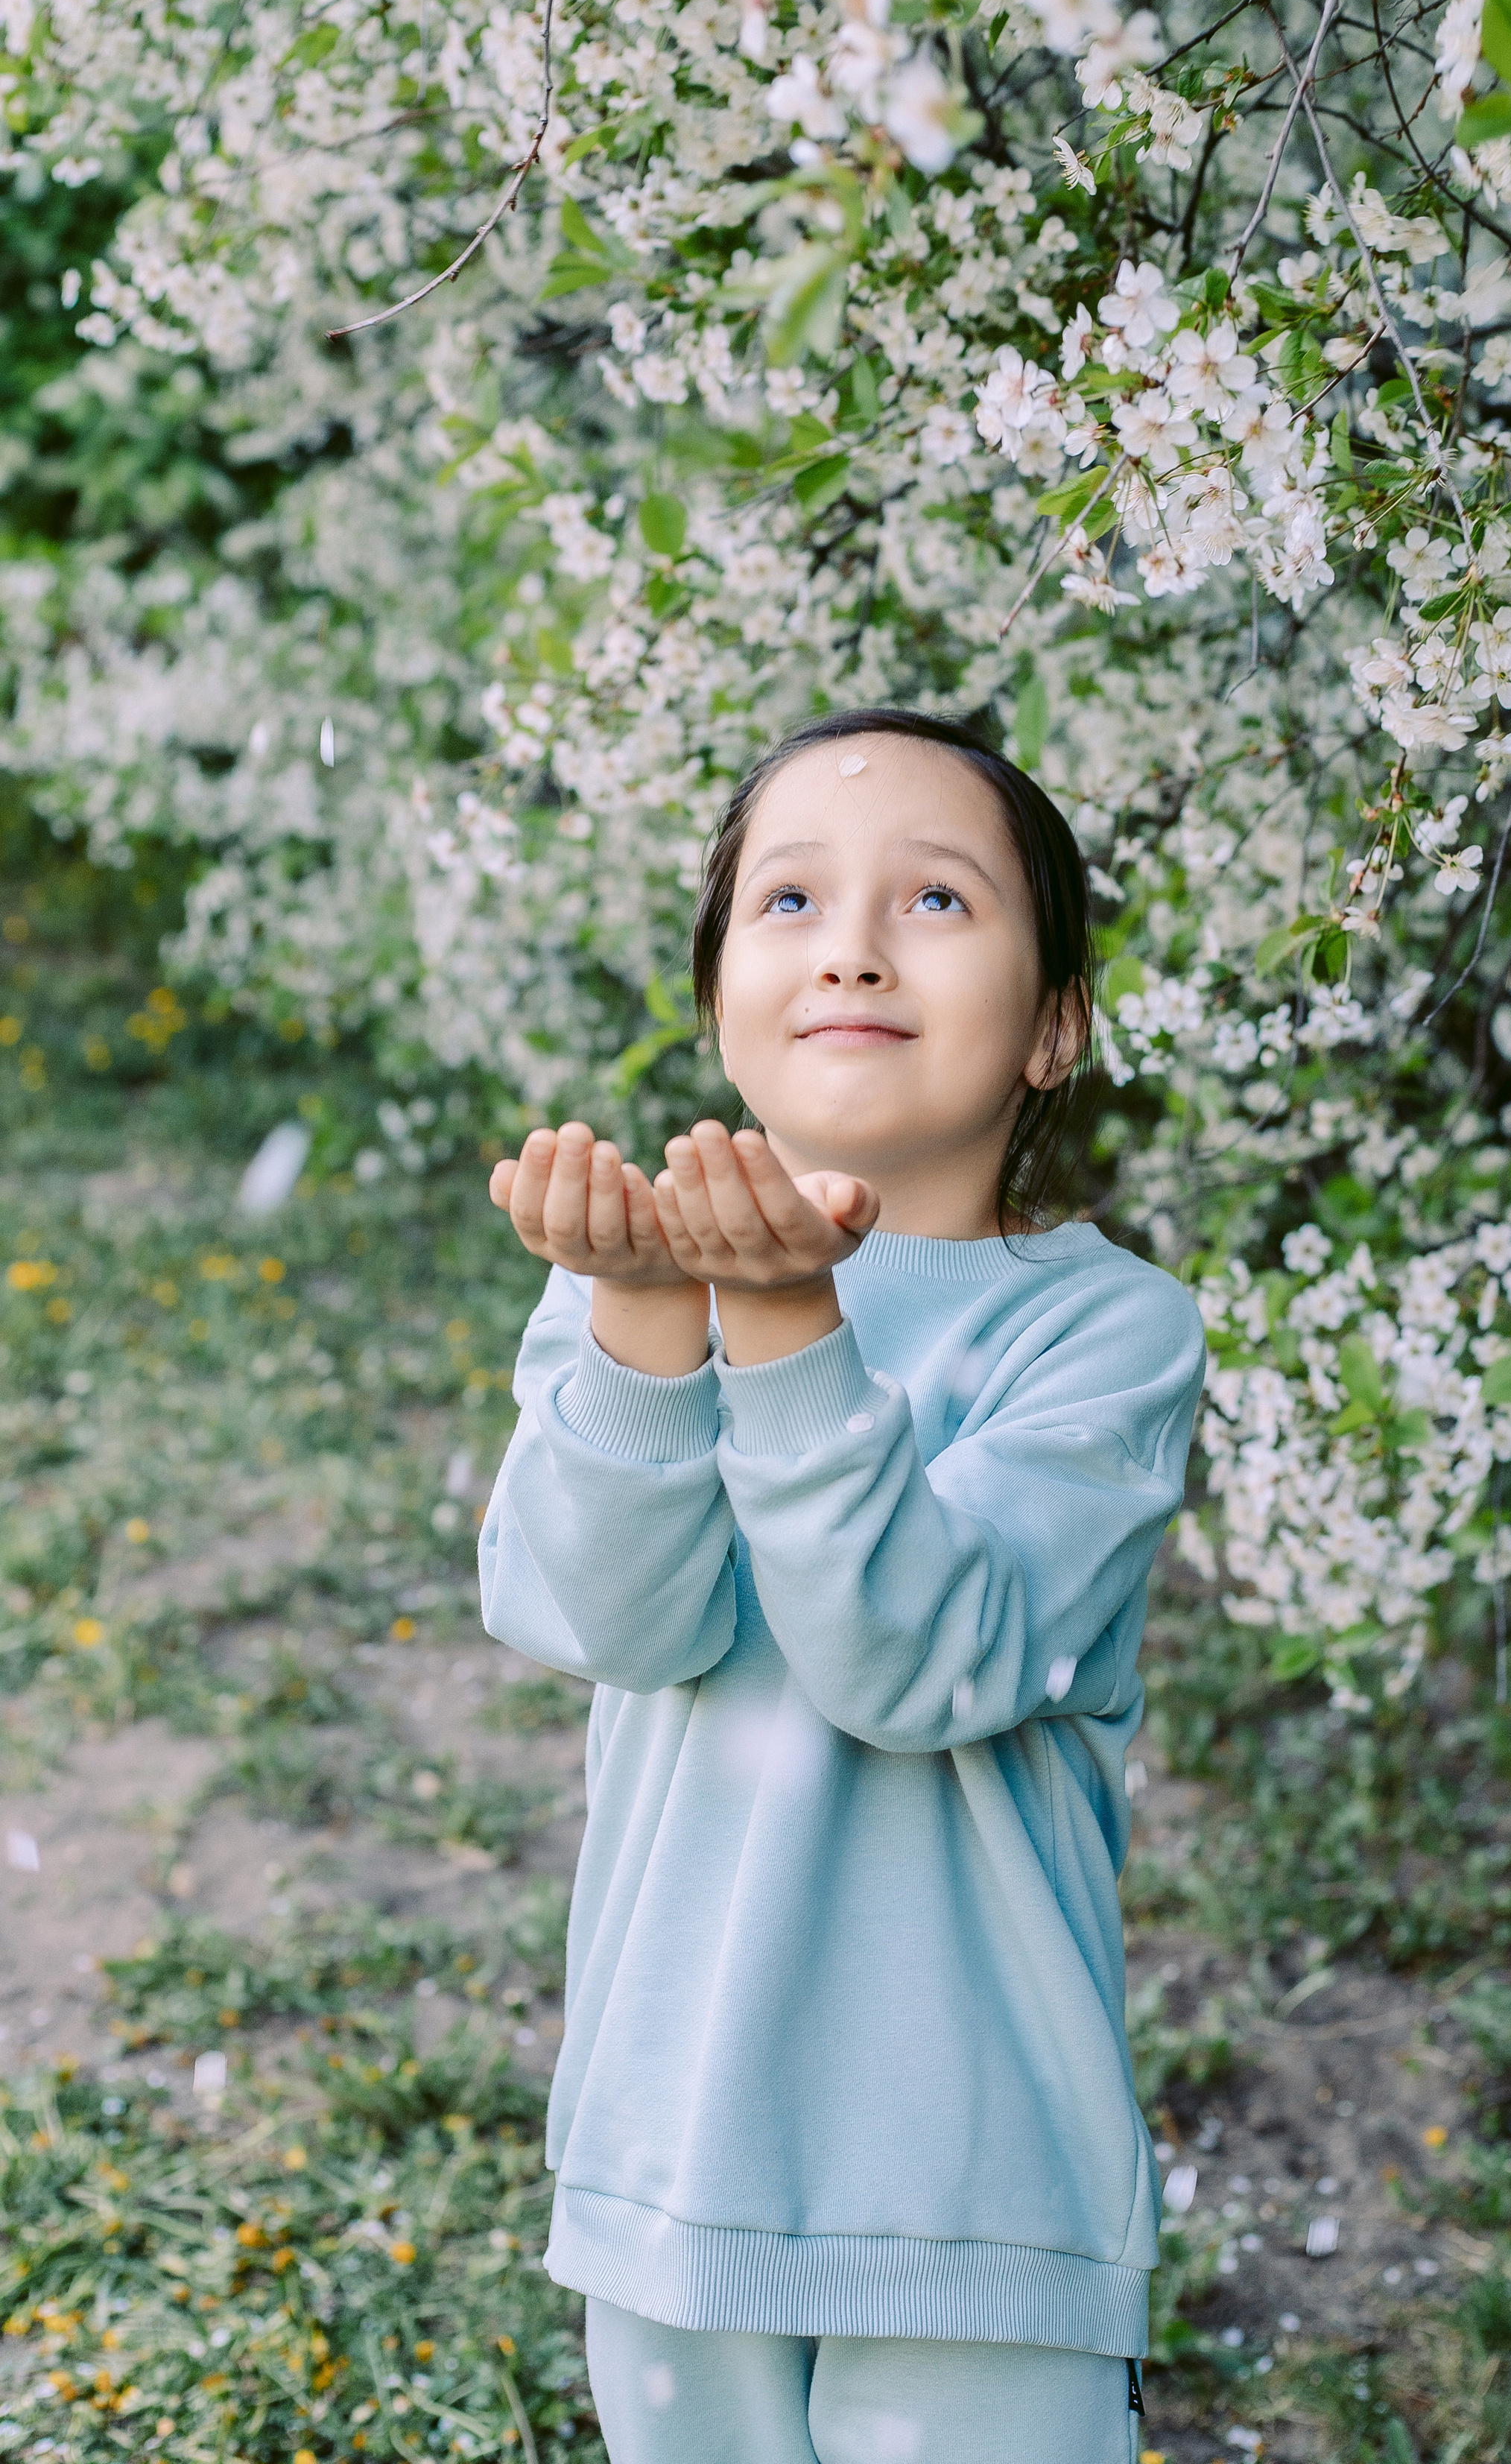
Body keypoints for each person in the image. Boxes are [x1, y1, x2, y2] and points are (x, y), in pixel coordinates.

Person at [479, 708, 1207, 2464]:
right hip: (677, 2146)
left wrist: (788, 1325)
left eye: (937, 901)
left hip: (969, 2174)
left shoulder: (1100, 1330)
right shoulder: (620, 1288)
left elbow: (916, 1664)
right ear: (723, 987)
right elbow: (603, 1621)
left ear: (1055, 1026)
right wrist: (649, 1328)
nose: (853, 945)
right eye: (788, 899)